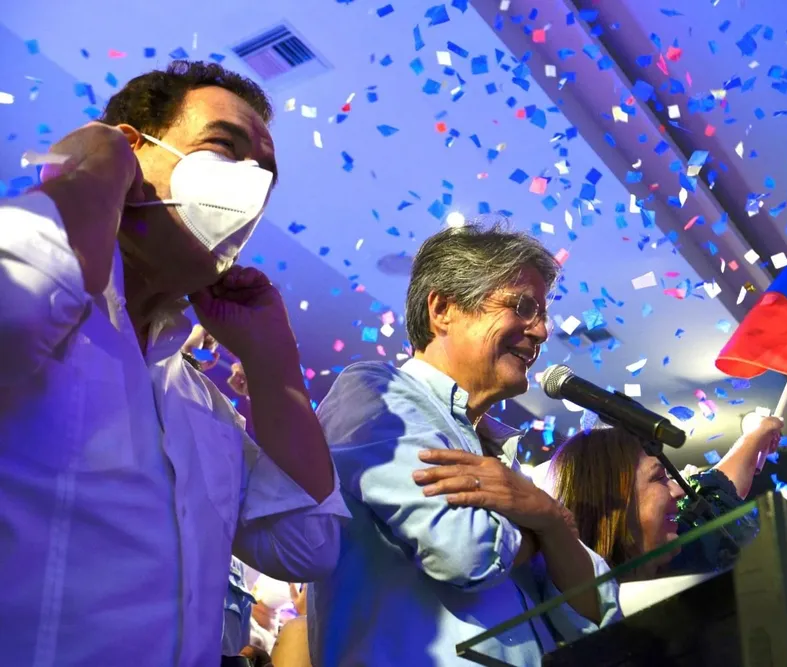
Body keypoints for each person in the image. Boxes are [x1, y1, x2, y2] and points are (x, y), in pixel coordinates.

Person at [0, 61, 350, 665]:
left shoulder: (201, 406)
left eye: (263, 176)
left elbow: (306, 545)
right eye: (223, 149)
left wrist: (275, 367)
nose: (249, 187)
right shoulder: (55, 308)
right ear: (133, 149)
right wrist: (93, 173)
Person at [309, 222, 621, 666]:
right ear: (442, 309)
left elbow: (597, 612)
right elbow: (465, 553)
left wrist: (549, 520)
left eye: (543, 314)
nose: (542, 331)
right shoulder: (376, 395)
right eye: (523, 306)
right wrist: (542, 530)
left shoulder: (502, 458)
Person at [547, 416, 783, 579]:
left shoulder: (685, 550)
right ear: (611, 500)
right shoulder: (593, 609)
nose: (678, 491)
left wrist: (758, 434)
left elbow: (716, 489)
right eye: (659, 478)